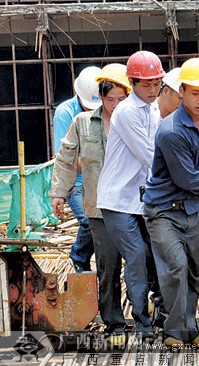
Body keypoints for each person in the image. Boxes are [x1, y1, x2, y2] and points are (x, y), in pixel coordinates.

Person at [142, 57, 199, 348]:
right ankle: (173, 332)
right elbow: (188, 179)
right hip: (164, 211)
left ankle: (189, 328)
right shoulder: (171, 131)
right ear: (182, 91)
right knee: (175, 267)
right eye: (194, 93)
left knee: (192, 269)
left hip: (191, 209)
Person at [50, 63, 132, 345]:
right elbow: (65, 158)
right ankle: (115, 324)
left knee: (140, 265)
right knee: (108, 267)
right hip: (99, 208)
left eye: (121, 100)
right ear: (100, 97)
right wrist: (59, 192)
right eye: (110, 100)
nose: (115, 105)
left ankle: (148, 319)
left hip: (133, 207)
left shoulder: (138, 120)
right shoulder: (82, 123)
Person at [96, 50, 166, 340]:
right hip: (117, 200)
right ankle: (142, 322)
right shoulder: (125, 113)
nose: (152, 90)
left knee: (153, 254)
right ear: (132, 83)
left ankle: (158, 311)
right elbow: (151, 155)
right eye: (145, 84)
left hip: (141, 199)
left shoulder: (153, 110)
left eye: (155, 83)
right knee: (135, 256)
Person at [53, 66, 102, 272]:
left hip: (103, 180)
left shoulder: (110, 107)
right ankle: (79, 258)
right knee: (89, 221)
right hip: (78, 182)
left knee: (104, 225)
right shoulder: (65, 113)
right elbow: (67, 158)